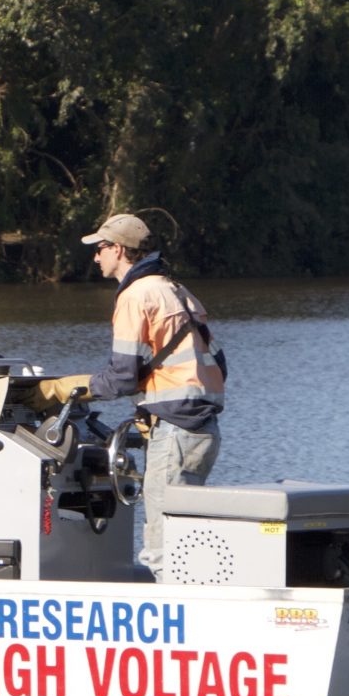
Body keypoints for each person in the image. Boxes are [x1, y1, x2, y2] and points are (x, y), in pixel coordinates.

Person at [75, 211, 226, 577]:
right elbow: (218, 364)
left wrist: (72, 390)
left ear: (119, 249)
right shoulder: (176, 290)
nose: (95, 257)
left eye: (100, 249)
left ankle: (174, 628)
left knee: (162, 547)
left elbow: (122, 377)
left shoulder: (135, 296)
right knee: (186, 538)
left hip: (175, 430)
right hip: (202, 428)